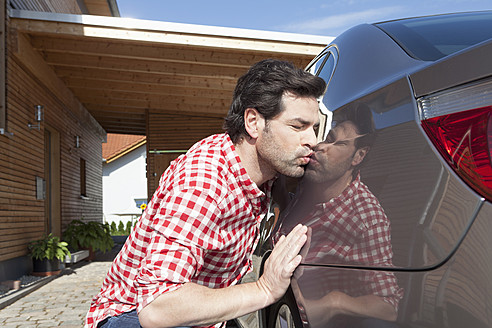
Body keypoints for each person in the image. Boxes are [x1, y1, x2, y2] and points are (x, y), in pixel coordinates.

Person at [85, 59, 327, 328]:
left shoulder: (265, 172)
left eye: (314, 128)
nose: (313, 141)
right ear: (253, 122)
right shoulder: (204, 183)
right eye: (297, 127)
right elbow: (156, 307)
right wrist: (264, 289)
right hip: (131, 316)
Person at [277, 103, 403, 327]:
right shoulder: (307, 178)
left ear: (358, 156)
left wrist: (334, 303)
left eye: (340, 144)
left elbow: (388, 305)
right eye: (328, 137)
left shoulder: (366, 217)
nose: (323, 147)